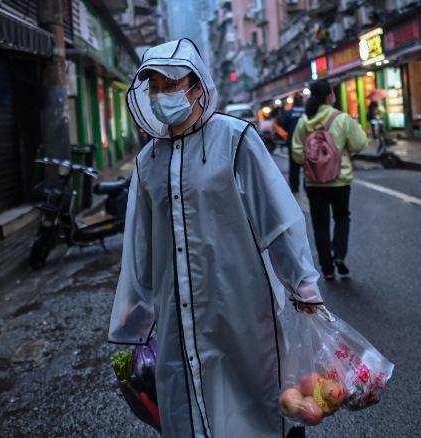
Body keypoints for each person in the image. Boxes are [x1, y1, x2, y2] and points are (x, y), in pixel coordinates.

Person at [109, 38, 324, 438]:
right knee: (183, 396)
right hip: (175, 308)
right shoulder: (148, 161)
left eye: (169, 85)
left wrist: (302, 282)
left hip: (239, 302)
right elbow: (140, 244)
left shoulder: (235, 140)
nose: (160, 96)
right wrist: (136, 309)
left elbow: (274, 218)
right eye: (153, 88)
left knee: (250, 394)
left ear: (195, 87)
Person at [291, 79, 367, 280]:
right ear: (330, 96)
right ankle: (339, 255)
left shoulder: (303, 122)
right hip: (340, 179)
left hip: (313, 182)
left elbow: (296, 153)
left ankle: (327, 268)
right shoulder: (341, 118)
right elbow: (359, 144)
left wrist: (311, 162)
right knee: (342, 216)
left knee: (320, 224)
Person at [279, 95, 306, 193]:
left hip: (292, 143)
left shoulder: (288, 113)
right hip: (307, 144)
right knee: (307, 166)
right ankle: (307, 186)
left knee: (294, 166)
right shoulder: (307, 112)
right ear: (302, 101)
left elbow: (284, 128)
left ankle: (295, 188)